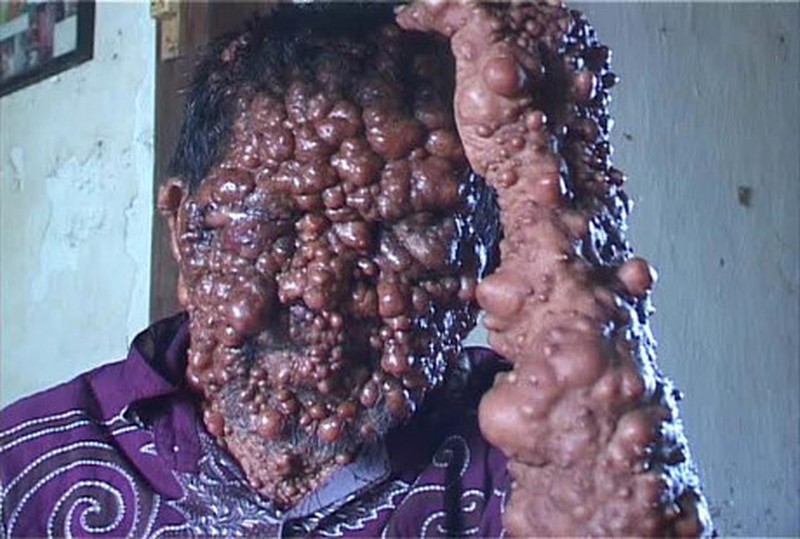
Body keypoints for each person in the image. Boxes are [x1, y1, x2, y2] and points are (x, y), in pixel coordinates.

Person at [0, 3, 712, 537]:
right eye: (270, 224)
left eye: (406, 233)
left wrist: (556, 182)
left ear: (482, 268)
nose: (321, 292)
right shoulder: (26, 473)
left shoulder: (531, 464)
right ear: (185, 231)